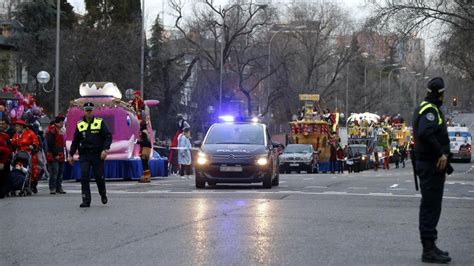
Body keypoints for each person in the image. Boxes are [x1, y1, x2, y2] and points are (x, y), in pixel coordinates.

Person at [412, 77, 452, 263]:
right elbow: (425, 132)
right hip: (430, 165)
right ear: (440, 93)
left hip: (431, 166)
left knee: (433, 207)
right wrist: (441, 153)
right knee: (430, 207)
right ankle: (428, 250)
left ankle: (431, 245)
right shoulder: (429, 109)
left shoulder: (429, 107)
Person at [68, 102, 112, 208]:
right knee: (84, 176)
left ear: (93, 111)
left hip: (97, 155)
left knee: (99, 177)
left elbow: (108, 136)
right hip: (85, 155)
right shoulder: (80, 124)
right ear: (84, 111)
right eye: (86, 110)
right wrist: (71, 154)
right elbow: (75, 141)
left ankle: (103, 194)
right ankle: (86, 200)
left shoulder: (99, 122)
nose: (88, 112)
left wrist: (105, 150)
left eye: (90, 110)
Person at [10, 119, 40, 193]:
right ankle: (19, 184)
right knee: (18, 168)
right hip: (19, 155)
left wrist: (32, 146)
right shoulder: (16, 134)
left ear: (22, 126)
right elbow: (13, 143)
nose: (16, 128)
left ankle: (33, 185)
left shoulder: (30, 133)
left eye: (17, 126)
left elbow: (36, 141)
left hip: (29, 154)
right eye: (15, 126)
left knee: (32, 170)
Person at [45, 115, 66, 194]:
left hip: (61, 152)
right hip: (54, 153)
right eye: (62, 122)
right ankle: (52, 187)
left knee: (60, 171)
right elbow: (50, 143)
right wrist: (55, 154)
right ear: (59, 122)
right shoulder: (52, 130)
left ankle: (59, 187)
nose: (63, 123)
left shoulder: (61, 130)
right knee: (54, 171)